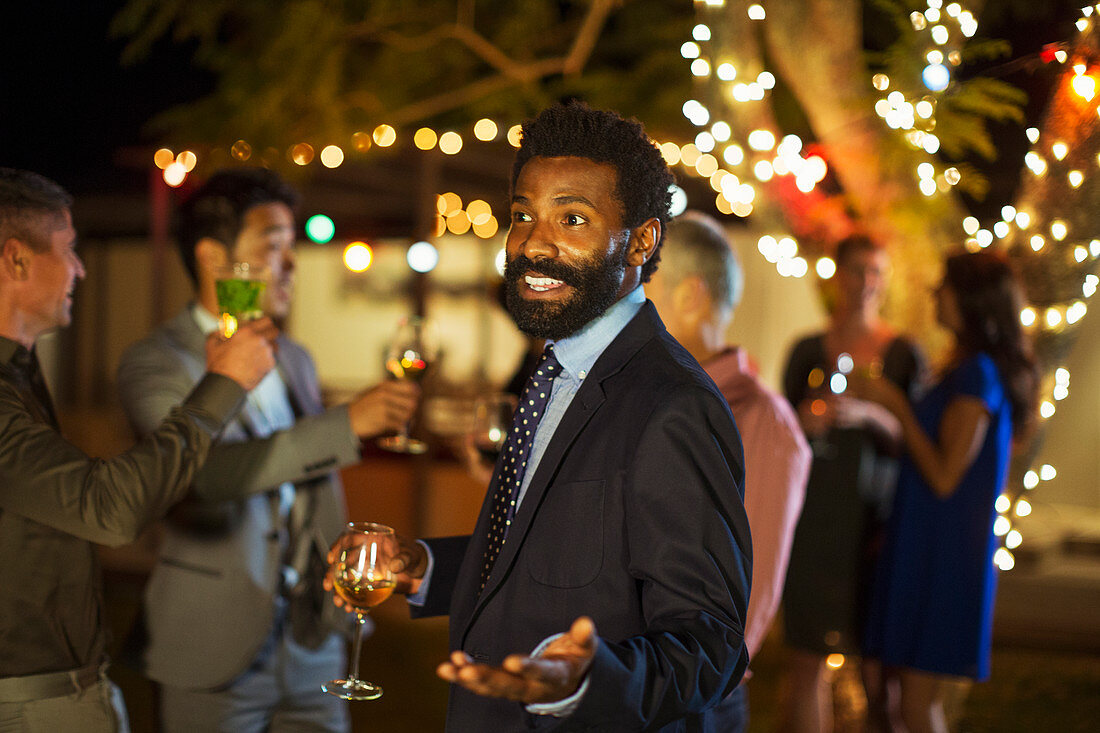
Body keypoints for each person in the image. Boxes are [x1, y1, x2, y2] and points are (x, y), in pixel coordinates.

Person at [381, 101, 752, 731]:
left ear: (640, 241)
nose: (532, 242)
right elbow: (550, 550)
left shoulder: (672, 406)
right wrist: (428, 568)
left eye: (572, 218)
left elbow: (711, 643)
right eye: (522, 215)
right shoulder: (553, 374)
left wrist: (585, 680)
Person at [115, 167, 418, 733]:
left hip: (315, 640)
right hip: (213, 644)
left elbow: (309, 481)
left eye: (291, 245)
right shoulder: (154, 363)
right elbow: (199, 477)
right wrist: (346, 424)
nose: (292, 263)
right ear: (213, 258)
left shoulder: (295, 356)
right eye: (274, 245)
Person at [0, 168, 275, 732]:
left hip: (68, 684)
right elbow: (110, 507)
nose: (80, 268)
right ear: (16, 260)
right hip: (32, 701)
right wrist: (223, 386)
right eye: (70, 250)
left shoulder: (20, 371)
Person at [854, 250, 1037, 733]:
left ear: (970, 300)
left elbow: (944, 476)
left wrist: (895, 404)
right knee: (893, 696)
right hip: (923, 544)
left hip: (944, 556)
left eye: (944, 287)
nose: (935, 294)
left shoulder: (977, 373)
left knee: (917, 704)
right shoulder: (963, 366)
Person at [646, 211, 811, 731]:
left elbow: (752, 590)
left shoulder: (761, 419)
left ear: (690, 297)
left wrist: (684, 683)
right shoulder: (654, 399)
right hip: (637, 674)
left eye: (643, 289)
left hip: (693, 693)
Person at [779, 235, 924, 733]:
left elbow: (919, 445)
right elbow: (780, 433)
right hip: (814, 520)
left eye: (876, 272)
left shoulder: (905, 355)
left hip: (875, 524)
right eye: (857, 270)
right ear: (837, 276)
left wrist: (869, 414)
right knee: (808, 658)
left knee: (879, 668)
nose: (866, 283)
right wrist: (805, 419)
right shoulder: (806, 351)